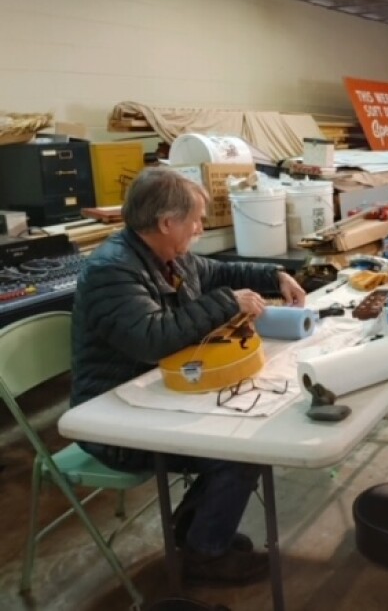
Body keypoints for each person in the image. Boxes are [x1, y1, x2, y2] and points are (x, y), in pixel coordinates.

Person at [70, 166, 306, 585]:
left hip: (159, 394)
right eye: (196, 219)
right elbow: (151, 338)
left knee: (249, 426)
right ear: (166, 222)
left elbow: (217, 272)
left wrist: (273, 275)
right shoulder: (113, 270)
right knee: (240, 447)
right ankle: (204, 553)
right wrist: (226, 304)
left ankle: (194, 529)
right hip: (112, 417)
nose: (200, 228)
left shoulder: (166, 256)